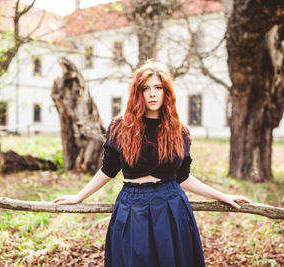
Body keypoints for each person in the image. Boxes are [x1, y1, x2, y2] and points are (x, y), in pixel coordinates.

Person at [53, 60, 251, 267]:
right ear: (137, 93)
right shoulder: (120, 127)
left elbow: (182, 177)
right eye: (145, 88)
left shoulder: (178, 131)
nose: (152, 94)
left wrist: (222, 196)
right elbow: (108, 170)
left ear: (166, 92)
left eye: (158, 88)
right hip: (132, 207)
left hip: (170, 206)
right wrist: (79, 197)